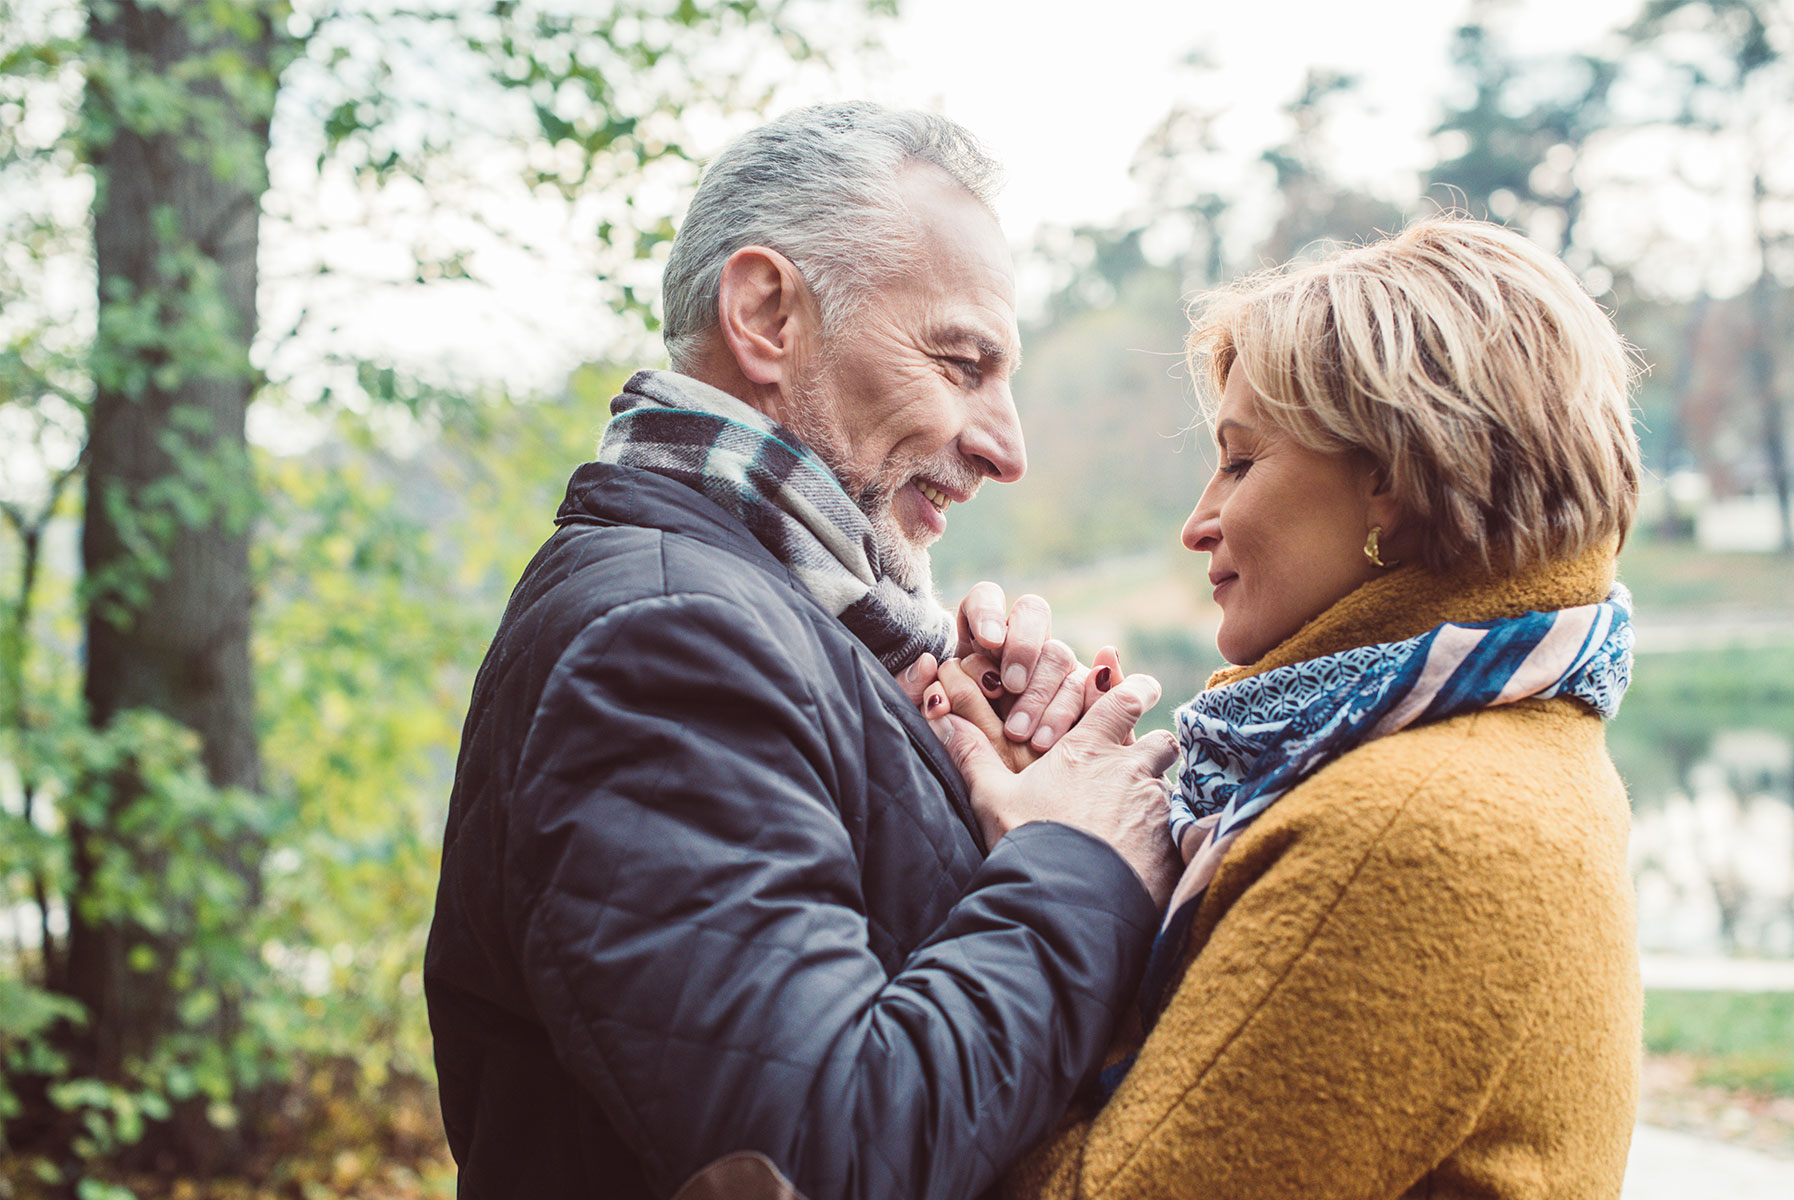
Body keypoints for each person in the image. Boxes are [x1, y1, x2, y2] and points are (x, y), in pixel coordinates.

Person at [422, 102, 1180, 1200]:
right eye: (962, 364)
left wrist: (981, 785)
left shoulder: (770, 623)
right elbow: (826, 1153)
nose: (1006, 448)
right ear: (767, 314)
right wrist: (1079, 863)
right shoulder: (667, 644)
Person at [930, 217, 1644, 1199]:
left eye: (1238, 461)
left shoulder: (1414, 827)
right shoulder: (1463, 746)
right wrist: (1039, 794)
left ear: (1390, 478)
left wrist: (1055, 868)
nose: (1196, 524)